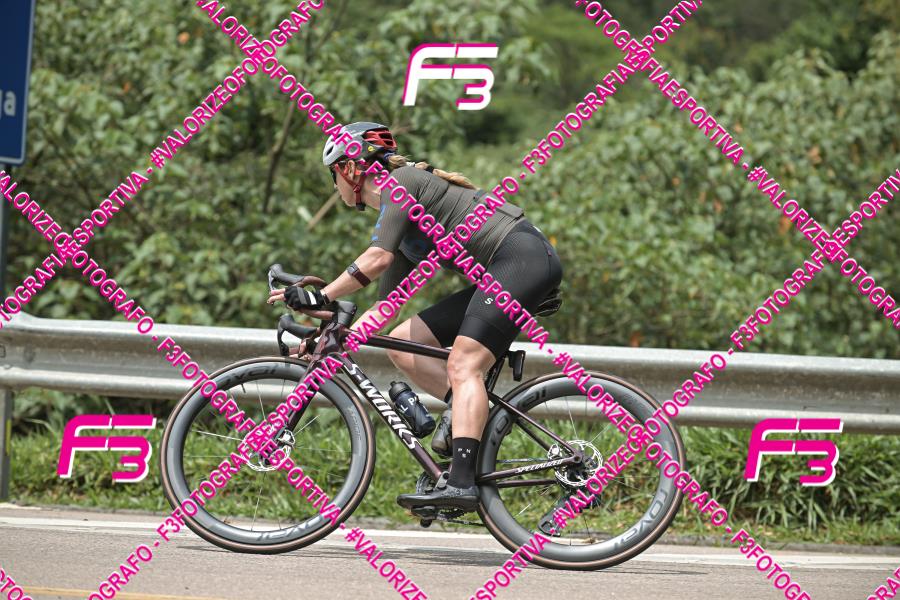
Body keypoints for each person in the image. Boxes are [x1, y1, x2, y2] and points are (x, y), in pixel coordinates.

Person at [269, 122, 563, 511]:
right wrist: (328, 343)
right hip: (512, 267)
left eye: (332, 175)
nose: (333, 186)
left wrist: (321, 294)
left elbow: (376, 258)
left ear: (349, 169)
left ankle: (460, 485)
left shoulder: (401, 183)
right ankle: (469, 417)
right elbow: (384, 308)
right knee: (404, 343)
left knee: (463, 364)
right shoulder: (407, 233)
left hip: (521, 259)